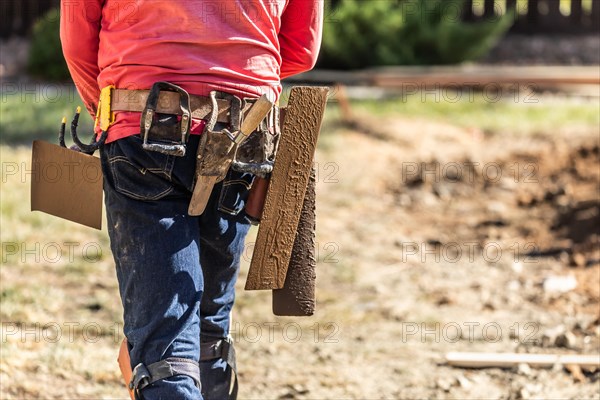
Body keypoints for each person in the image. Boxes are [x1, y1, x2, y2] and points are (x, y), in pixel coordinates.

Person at [60, 1, 323, 399]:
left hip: (142, 125)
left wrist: (111, 115)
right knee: (208, 329)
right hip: (244, 132)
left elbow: (78, 38)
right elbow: (300, 48)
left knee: (165, 344)